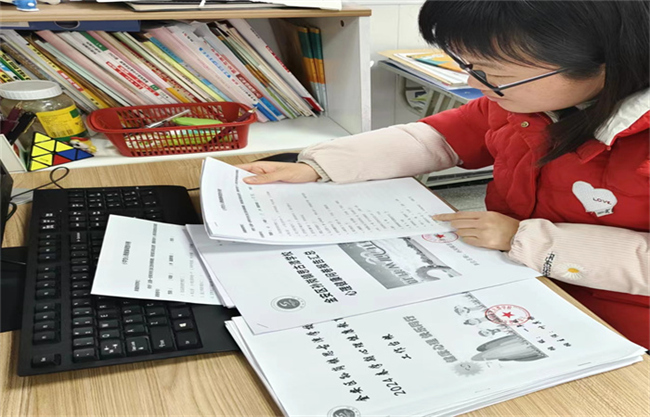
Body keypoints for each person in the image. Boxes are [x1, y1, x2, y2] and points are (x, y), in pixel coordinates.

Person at [237, 1, 649, 348]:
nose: (472, 81)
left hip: (615, 319)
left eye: (493, 73)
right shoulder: (523, 103)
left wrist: (525, 239)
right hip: (511, 278)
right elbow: (438, 138)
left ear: (604, 63)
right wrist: (319, 165)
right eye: (469, 65)